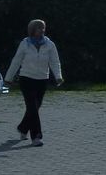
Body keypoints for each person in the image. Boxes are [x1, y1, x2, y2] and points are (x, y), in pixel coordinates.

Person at [5, 18, 63, 147]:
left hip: (42, 79)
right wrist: (8, 78)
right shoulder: (25, 44)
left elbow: (55, 61)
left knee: (36, 107)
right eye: (39, 27)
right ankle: (36, 137)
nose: (42, 30)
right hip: (26, 79)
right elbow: (16, 61)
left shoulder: (50, 45)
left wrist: (58, 76)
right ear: (32, 29)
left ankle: (23, 128)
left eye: (43, 27)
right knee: (32, 107)